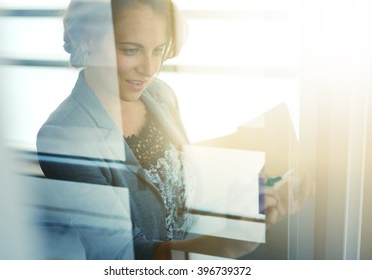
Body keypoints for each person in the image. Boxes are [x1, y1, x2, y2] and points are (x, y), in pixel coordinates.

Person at [37, 0, 289, 260]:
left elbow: (182, 178)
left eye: (158, 50)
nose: (149, 69)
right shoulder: (64, 136)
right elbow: (123, 253)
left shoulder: (160, 94)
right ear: (88, 40)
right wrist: (225, 245)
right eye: (131, 50)